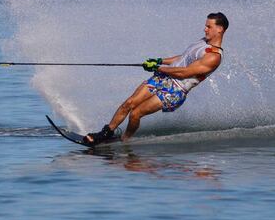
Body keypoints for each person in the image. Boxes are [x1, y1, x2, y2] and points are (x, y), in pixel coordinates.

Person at [84, 12, 229, 145]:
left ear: (220, 29)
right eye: (205, 26)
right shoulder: (203, 42)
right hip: (164, 77)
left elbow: (184, 73)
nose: (205, 29)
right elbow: (183, 58)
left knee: (136, 113)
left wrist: (156, 67)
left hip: (175, 90)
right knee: (129, 103)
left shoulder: (213, 56)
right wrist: (159, 61)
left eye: (208, 27)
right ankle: (105, 133)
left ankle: (124, 141)